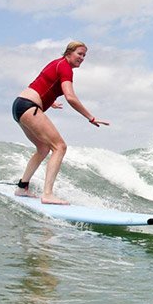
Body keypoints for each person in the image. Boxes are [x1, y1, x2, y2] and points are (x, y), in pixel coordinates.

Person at [11, 41, 109, 205]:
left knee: (43, 148)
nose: (82, 58)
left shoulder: (57, 63)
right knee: (60, 147)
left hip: (20, 105)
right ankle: (47, 194)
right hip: (30, 107)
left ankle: (22, 187)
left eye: (84, 55)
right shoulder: (65, 67)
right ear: (69, 53)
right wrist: (90, 117)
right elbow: (70, 97)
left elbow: (44, 85)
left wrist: (49, 101)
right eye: (79, 54)